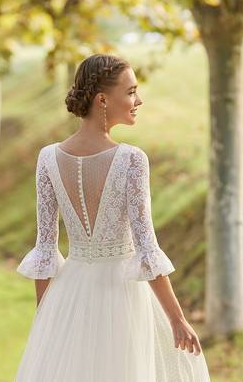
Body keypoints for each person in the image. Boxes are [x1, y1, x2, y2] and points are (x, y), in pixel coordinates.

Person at [14, 54, 212, 381]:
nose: (139, 100)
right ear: (102, 99)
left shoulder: (47, 158)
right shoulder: (132, 160)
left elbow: (45, 251)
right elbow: (146, 249)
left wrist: (45, 317)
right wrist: (177, 318)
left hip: (68, 293)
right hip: (121, 295)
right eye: (131, 91)